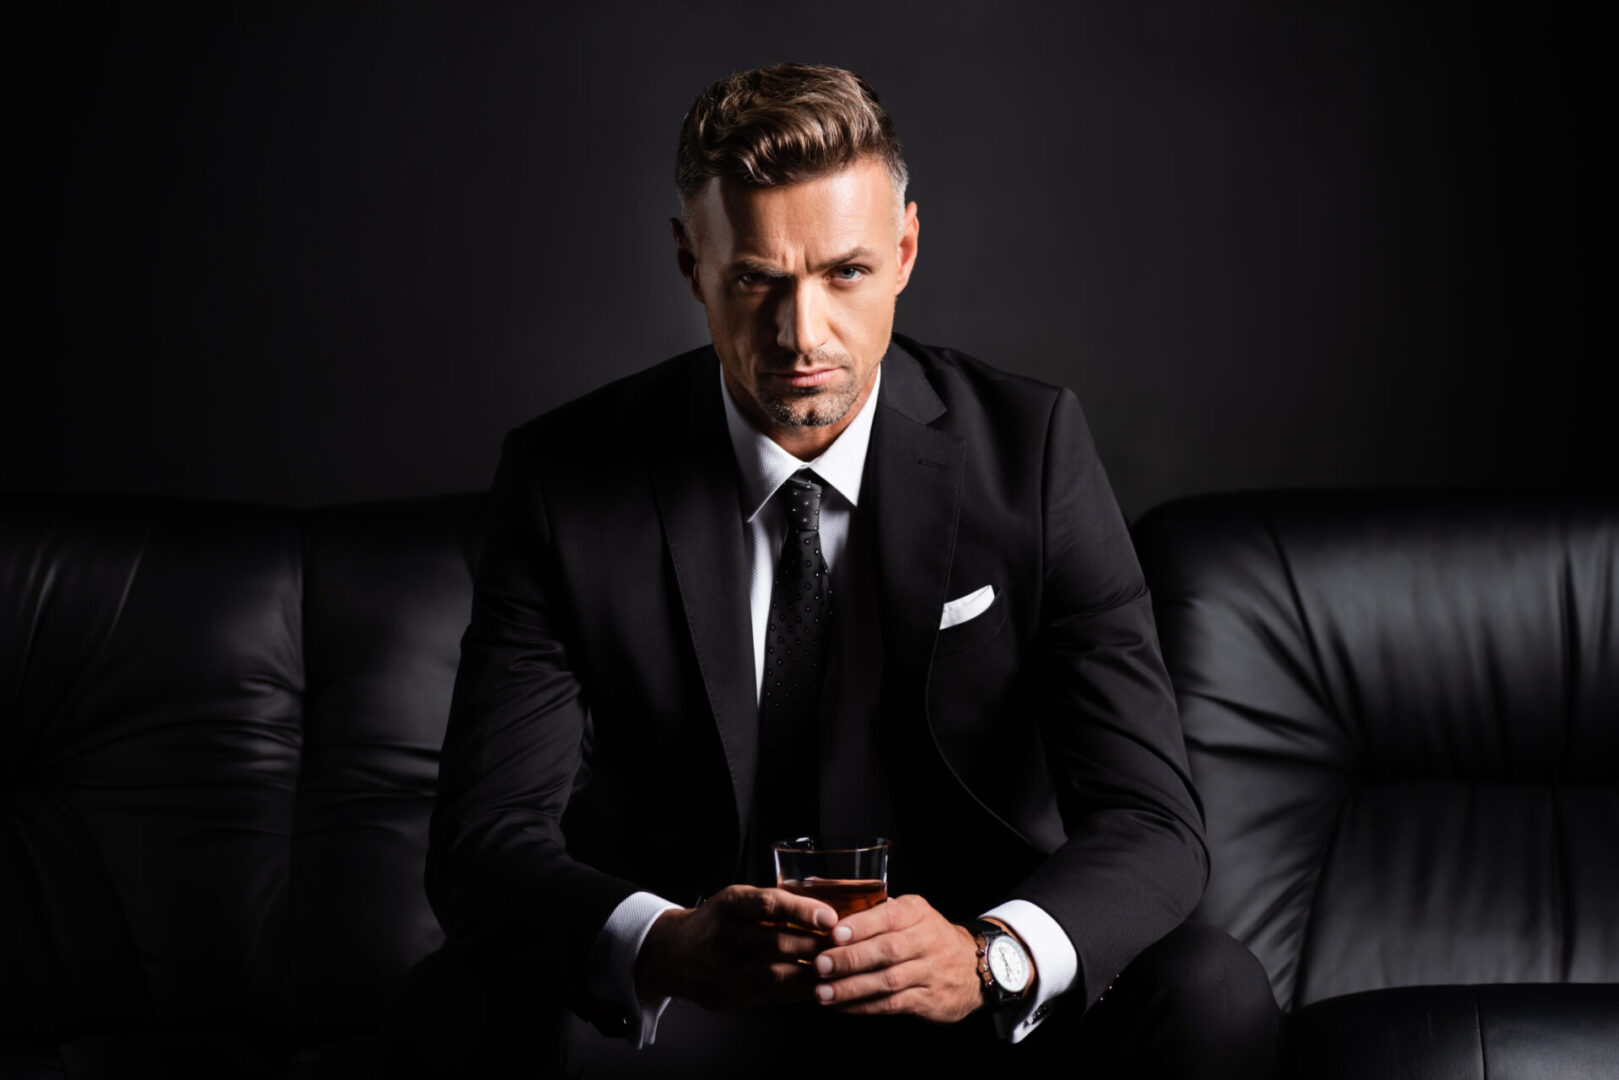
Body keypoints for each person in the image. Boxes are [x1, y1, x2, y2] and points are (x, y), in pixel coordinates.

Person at [397, 62, 1280, 1078]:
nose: (800, 335)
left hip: (964, 994)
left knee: (1211, 993)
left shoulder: (1029, 450)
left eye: (844, 274)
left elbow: (1151, 821)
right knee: (452, 1006)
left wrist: (990, 956)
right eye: (755, 280)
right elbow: (482, 843)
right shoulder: (565, 480)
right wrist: (667, 942)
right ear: (691, 265)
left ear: (903, 249)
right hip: (695, 1007)